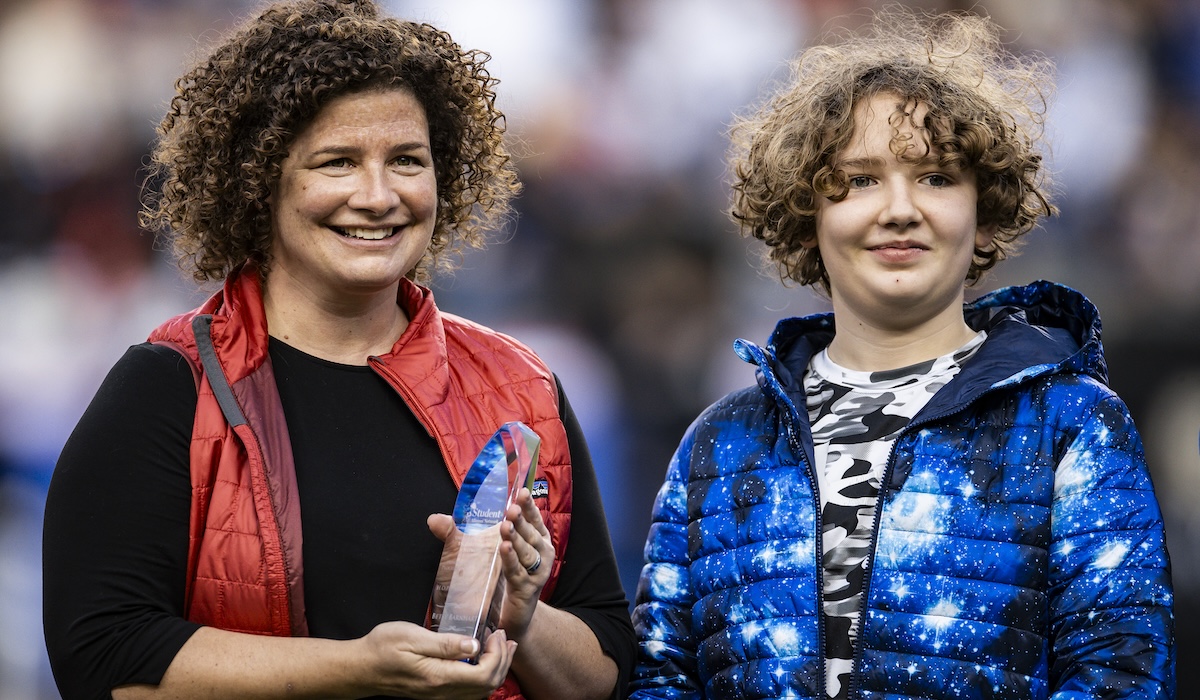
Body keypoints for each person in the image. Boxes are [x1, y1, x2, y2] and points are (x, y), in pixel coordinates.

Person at [41, 1, 635, 698]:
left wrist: (521, 620)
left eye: (407, 161)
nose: (379, 196)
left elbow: (609, 671)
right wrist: (358, 668)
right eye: (337, 162)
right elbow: (105, 658)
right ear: (259, 181)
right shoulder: (169, 387)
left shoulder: (521, 386)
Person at [629, 8, 1174, 700]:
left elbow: (1121, 676)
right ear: (808, 215)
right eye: (858, 179)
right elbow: (662, 678)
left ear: (984, 214)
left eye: (937, 178)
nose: (898, 208)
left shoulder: (1072, 424)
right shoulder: (719, 442)